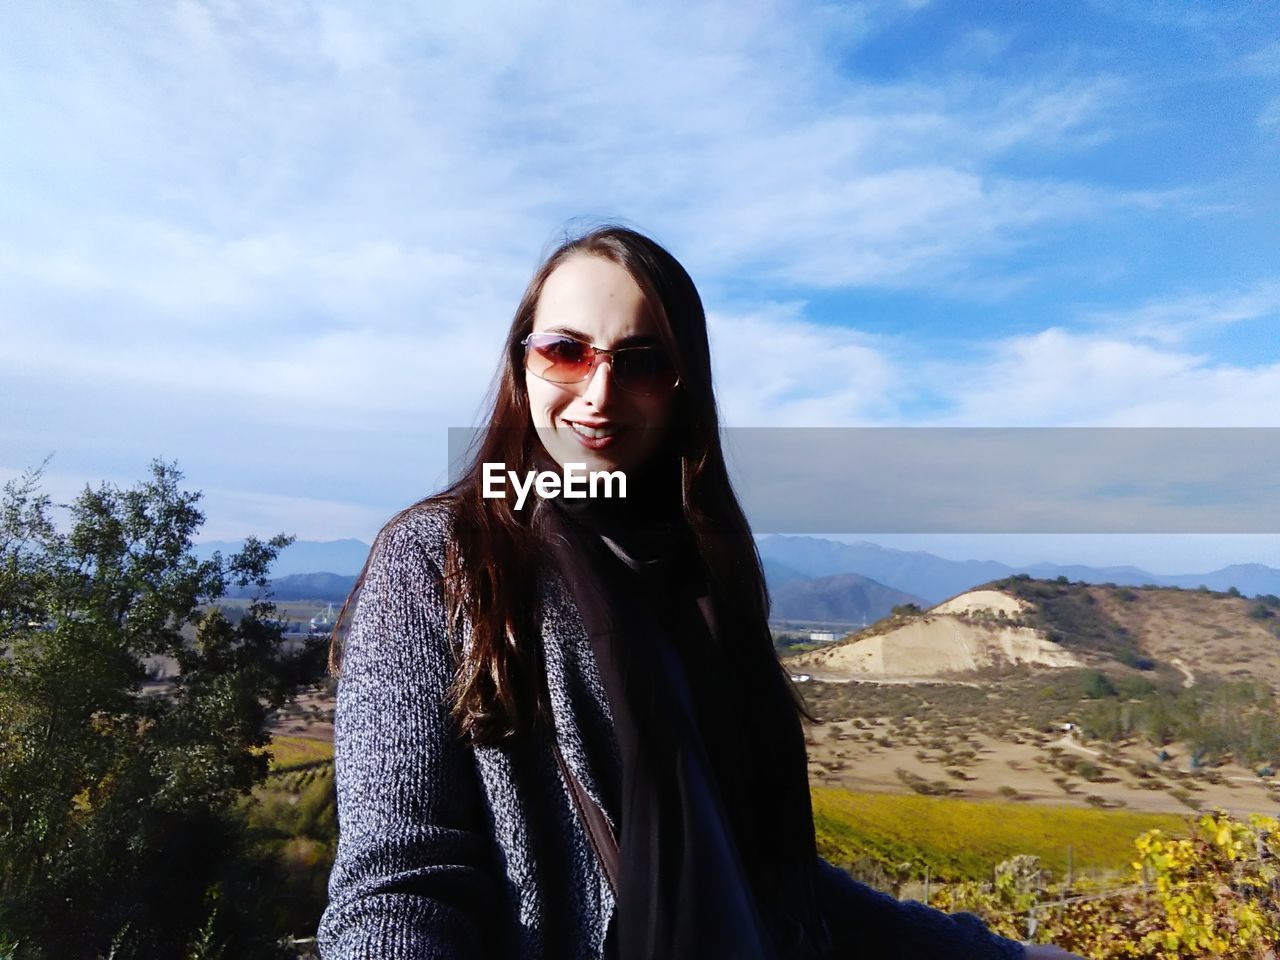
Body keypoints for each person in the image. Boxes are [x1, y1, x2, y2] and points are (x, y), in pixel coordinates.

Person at [317, 226, 1083, 959]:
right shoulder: (442, 561)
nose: (600, 390)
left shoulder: (702, 575)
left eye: (642, 361)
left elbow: (765, 880)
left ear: (684, 388)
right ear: (524, 364)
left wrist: (985, 953)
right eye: (566, 352)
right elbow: (402, 883)